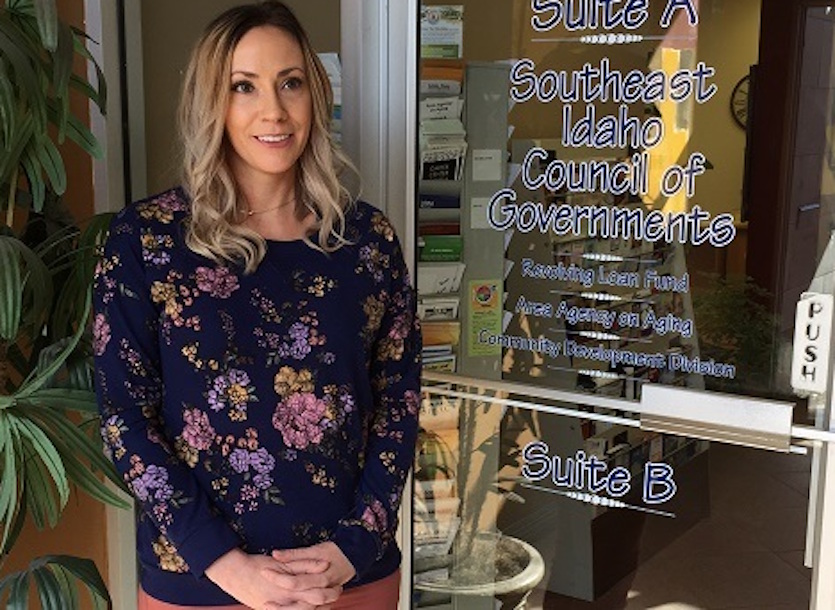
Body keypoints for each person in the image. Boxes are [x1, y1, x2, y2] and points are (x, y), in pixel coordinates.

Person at [92, 2, 421, 609]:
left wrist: (354, 546)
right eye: (244, 87)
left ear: (314, 97)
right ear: (212, 103)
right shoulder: (147, 240)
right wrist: (223, 562)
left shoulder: (367, 243)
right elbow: (123, 415)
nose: (273, 110)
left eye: (290, 83)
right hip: (201, 582)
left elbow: (398, 401)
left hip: (349, 576)